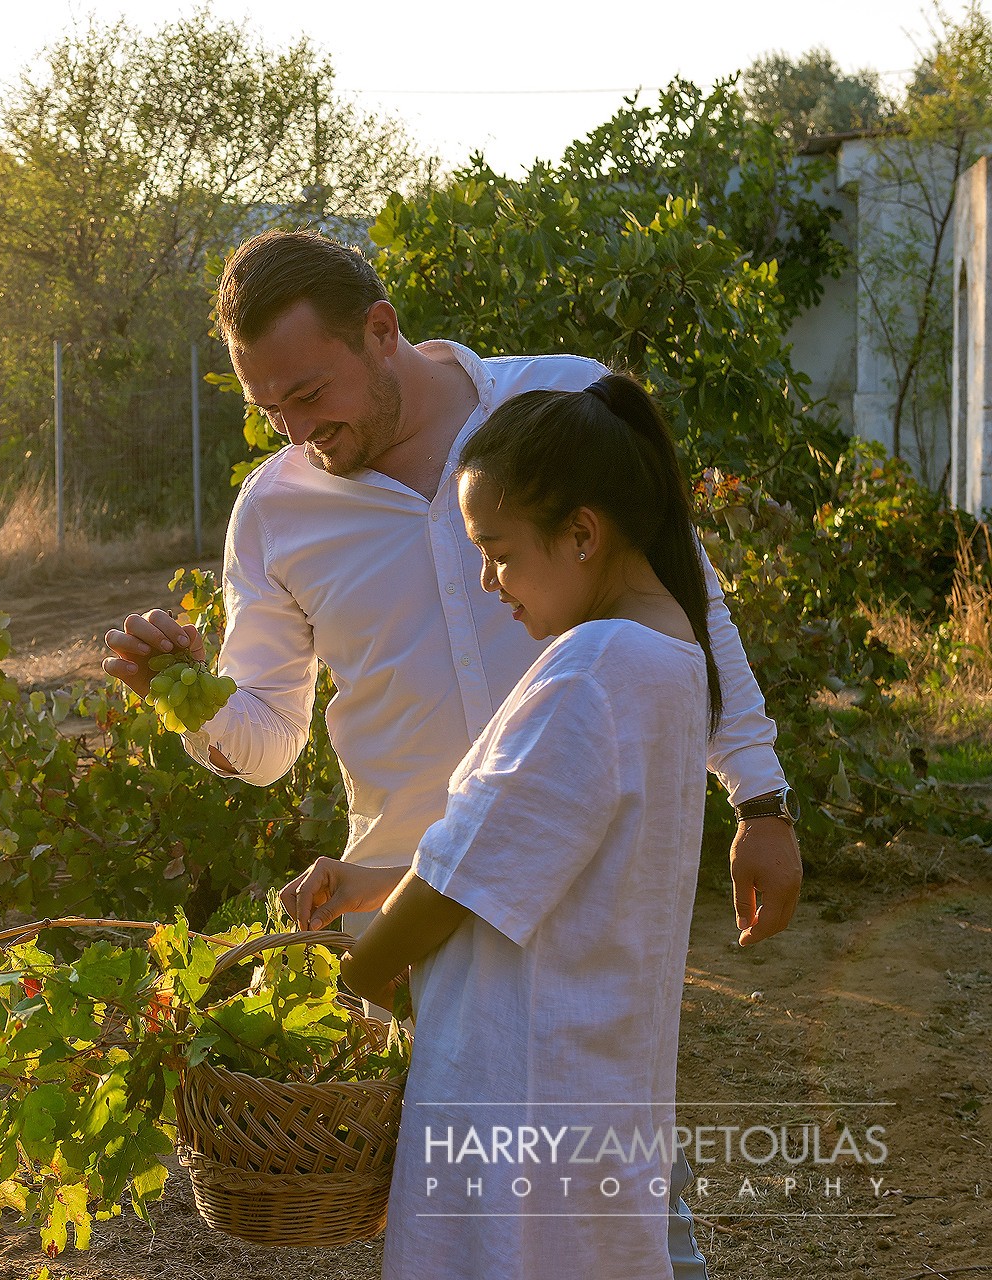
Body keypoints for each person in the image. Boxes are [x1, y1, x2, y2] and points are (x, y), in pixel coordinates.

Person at [102, 230, 801, 1276]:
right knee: (486, 1224)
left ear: (380, 331)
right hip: (420, 920)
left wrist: (760, 794)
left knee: (614, 1199)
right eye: (268, 411)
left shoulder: (555, 413)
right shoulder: (277, 510)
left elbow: (691, 600)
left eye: (308, 390)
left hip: (568, 911)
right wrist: (186, 700)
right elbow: (264, 741)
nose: (296, 429)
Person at [280, 373, 720, 1278]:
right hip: (587, 1080)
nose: (489, 581)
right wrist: (366, 885)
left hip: (518, 1089)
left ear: (584, 535)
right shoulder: (666, 653)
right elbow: (529, 845)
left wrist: (358, 974)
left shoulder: (591, 669)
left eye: (500, 552)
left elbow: (452, 884)